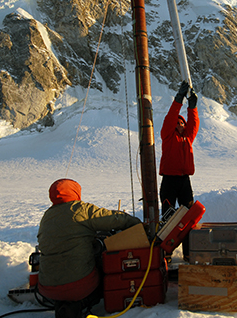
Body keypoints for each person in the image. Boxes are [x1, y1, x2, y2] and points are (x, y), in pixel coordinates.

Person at [37, 179, 142, 318]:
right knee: (105, 262)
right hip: (80, 286)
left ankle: (64, 304)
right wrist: (137, 224)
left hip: (46, 287)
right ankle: (81, 303)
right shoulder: (80, 209)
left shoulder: (47, 216)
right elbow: (113, 219)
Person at [159, 80, 199, 261]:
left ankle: (189, 254)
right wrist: (179, 99)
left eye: (182, 122)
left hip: (184, 181)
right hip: (169, 180)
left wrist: (192, 108)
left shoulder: (188, 138)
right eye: (178, 122)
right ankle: (166, 253)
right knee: (168, 216)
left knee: (188, 218)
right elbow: (170, 118)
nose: (181, 124)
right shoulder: (168, 135)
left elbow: (194, 124)